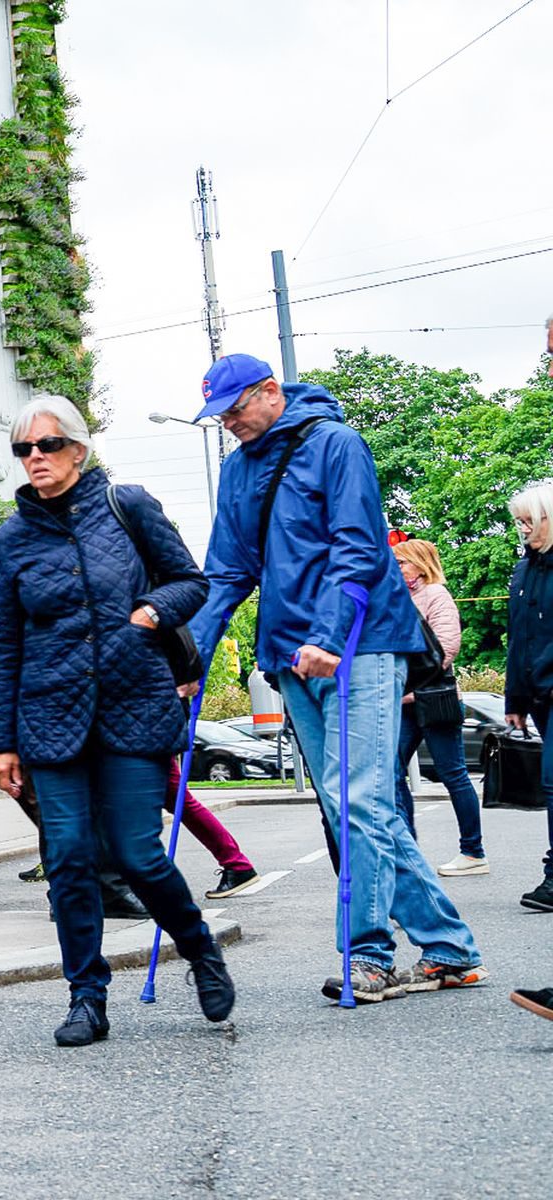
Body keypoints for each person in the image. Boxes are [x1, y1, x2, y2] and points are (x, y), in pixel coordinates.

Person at [186, 354, 485, 1004]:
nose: (231, 424)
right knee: (350, 806)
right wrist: (191, 661)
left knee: (362, 802)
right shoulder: (239, 468)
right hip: (289, 656)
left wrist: (329, 636)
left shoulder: (336, 445)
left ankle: (370, 957)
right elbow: (228, 571)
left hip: (362, 645)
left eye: (237, 408)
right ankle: (450, 950)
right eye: (221, 416)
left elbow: (357, 546)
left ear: (271, 392)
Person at [0, 397, 237, 1047]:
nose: (34, 458)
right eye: (23, 450)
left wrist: (151, 611)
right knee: (68, 860)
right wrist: (2, 743)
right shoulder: (9, 542)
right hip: (49, 717)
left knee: (136, 854)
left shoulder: (129, 508)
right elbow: (3, 645)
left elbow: (191, 582)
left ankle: (200, 950)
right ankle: (86, 997)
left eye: (45, 445)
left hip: (131, 705)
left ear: (77, 448)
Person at [390, 538, 486, 876]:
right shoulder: (399, 599)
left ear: (420, 565)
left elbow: (446, 648)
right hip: (404, 703)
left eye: (401, 563)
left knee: (453, 774)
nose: (396, 569)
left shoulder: (436, 595)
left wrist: (406, 685)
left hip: (434, 699)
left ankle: (473, 852)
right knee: (390, 769)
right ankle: (406, 850)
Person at [507, 484, 553, 914]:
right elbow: (517, 639)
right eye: (519, 522)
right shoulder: (525, 570)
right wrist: (514, 701)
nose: (523, 529)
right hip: (535, 691)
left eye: (529, 521)